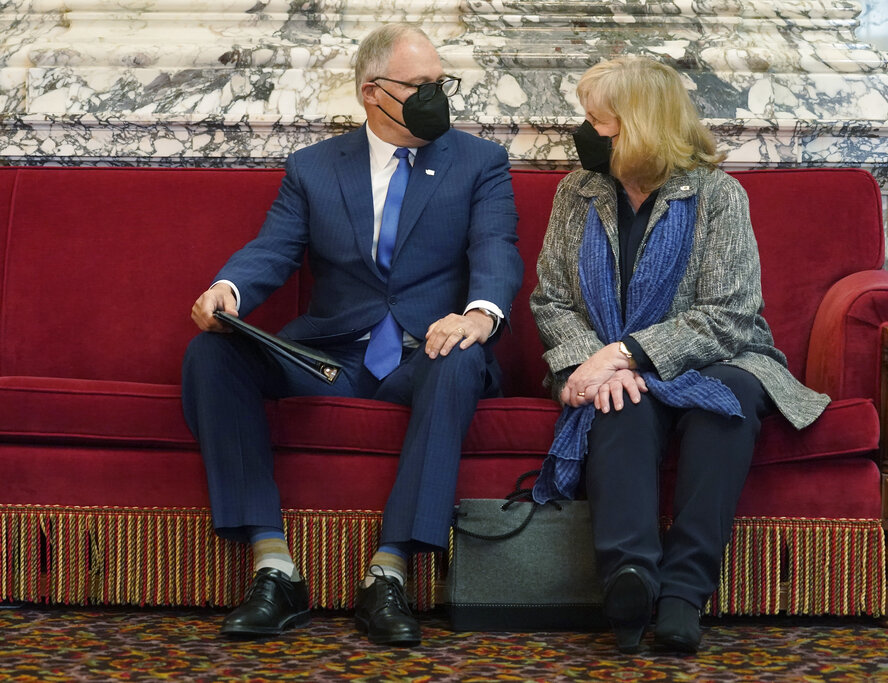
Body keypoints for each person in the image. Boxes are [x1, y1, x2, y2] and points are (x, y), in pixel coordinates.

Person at [181, 23, 522, 646]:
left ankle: (389, 574)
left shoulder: (479, 162)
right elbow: (274, 249)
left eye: (440, 83)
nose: (435, 96)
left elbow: (496, 249)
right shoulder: (314, 168)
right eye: (420, 85)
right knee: (213, 353)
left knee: (461, 359)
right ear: (372, 92)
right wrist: (228, 291)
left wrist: (479, 315)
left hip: (427, 353)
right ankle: (273, 566)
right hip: (329, 355)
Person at [529, 56, 829, 655]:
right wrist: (592, 364)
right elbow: (551, 300)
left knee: (727, 400)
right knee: (621, 403)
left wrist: (623, 351)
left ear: (638, 125)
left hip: (722, 358)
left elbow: (731, 313)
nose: (582, 131)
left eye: (598, 120)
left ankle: (684, 594)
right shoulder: (577, 191)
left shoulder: (718, 194)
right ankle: (630, 578)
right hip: (612, 364)